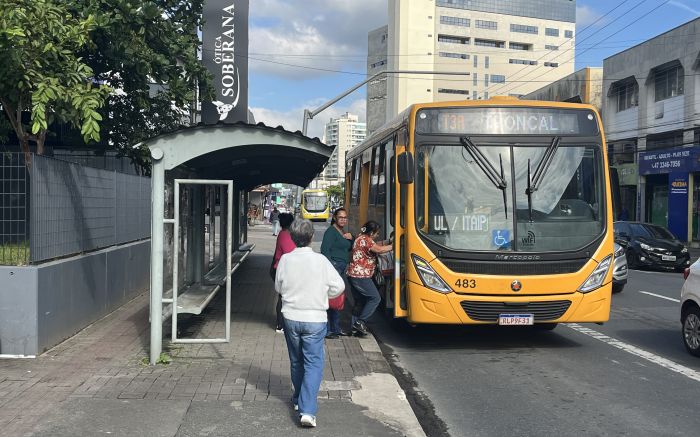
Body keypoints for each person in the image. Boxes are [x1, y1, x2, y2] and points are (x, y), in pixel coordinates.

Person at [275, 219, 344, 428]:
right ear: (312, 237)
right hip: (315, 319)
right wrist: (323, 293)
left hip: (291, 317)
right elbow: (339, 287)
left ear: (293, 238)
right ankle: (307, 411)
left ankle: (298, 400)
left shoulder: (286, 260)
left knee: (296, 361)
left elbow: (278, 287)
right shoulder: (321, 261)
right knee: (313, 363)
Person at [346, 220, 392, 336]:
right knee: (375, 298)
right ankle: (360, 322)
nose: (377, 235)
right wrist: (394, 245)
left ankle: (354, 328)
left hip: (353, 274)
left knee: (359, 302)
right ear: (371, 233)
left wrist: (388, 242)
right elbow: (380, 249)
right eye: (376, 233)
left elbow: (377, 245)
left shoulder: (361, 238)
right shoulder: (365, 240)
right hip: (361, 276)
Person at [320, 208, 353, 339]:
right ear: (334, 218)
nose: (343, 219)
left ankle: (335, 328)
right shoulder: (331, 232)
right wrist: (330, 270)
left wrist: (351, 238)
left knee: (337, 299)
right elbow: (325, 250)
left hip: (340, 267)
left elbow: (348, 246)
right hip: (334, 267)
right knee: (333, 299)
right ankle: (330, 330)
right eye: (341, 217)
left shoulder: (342, 231)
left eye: (345, 217)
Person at [272, 213, 296, 332]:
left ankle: (281, 323)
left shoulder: (283, 233)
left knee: (283, 296)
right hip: (283, 270)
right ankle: (280, 324)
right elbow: (291, 253)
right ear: (291, 223)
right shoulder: (286, 235)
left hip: (280, 268)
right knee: (283, 297)